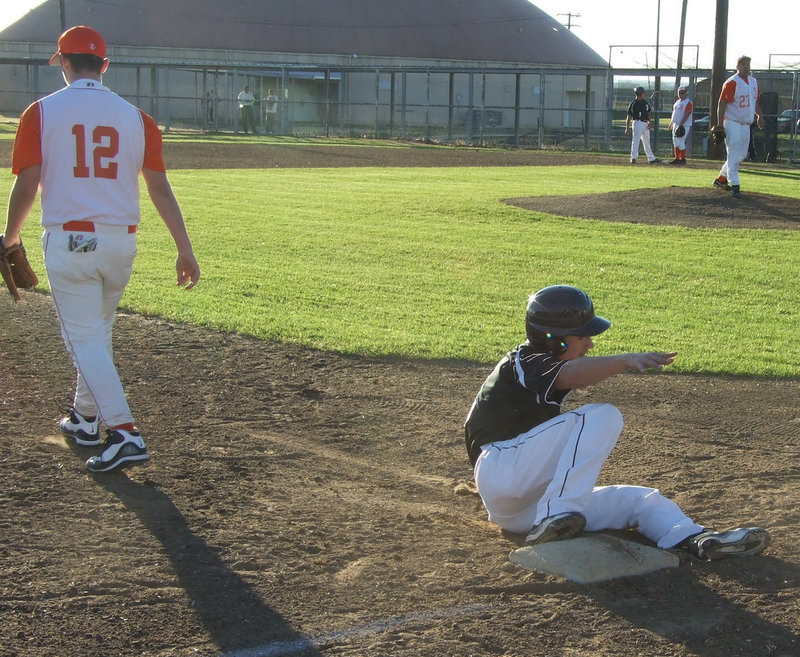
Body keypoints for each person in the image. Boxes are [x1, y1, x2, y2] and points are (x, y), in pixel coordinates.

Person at [2, 25, 201, 473]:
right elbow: (161, 190)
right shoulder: (138, 118)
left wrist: (10, 237)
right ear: (104, 65)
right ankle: (85, 420)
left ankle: (125, 432)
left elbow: (27, 184)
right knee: (99, 331)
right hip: (121, 243)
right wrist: (184, 248)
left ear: (65, 64)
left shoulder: (42, 112)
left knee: (84, 340)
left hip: (71, 242)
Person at [464, 285, 770, 561]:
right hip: (499, 469)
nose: (590, 343)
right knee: (600, 416)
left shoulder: (540, 364)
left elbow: (572, 373)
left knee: (637, 499)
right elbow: (571, 374)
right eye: (582, 335)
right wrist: (623, 360)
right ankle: (556, 517)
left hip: (523, 505)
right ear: (554, 339)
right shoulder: (523, 360)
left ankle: (695, 538)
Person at [712, 55, 764, 198]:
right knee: (734, 155)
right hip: (732, 122)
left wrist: (760, 116)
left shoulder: (753, 82)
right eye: (743, 64)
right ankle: (735, 185)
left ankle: (721, 179)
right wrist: (719, 124)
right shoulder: (731, 82)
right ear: (737, 66)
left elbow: (755, 102)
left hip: (746, 124)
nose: (746, 67)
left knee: (740, 155)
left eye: (748, 64)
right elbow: (721, 103)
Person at [625, 86, 661, 164]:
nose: (644, 94)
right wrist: (627, 127)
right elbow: (629, 116)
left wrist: (650, 122)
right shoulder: (633, 103)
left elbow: (648, 113)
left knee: (646, 141)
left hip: (645, 123)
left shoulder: (645, 102)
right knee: (636, 140)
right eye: (643, 92)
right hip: (637, 122)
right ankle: (633, 158)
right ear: (640, 93)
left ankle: (651, 158)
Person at [668, 86, 693, 165]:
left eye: (682, 92)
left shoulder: (688, 102)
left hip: (684, 125)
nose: (681, 94)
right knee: (675, 141)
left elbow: (687, 113)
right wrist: (671, 123)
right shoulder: (677, 102)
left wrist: (681, 124)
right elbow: (674, 114)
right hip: (676, 124)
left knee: (680, 141)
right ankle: (677, 158)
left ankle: (682, 159)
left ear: (686, 93)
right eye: (679, 93)